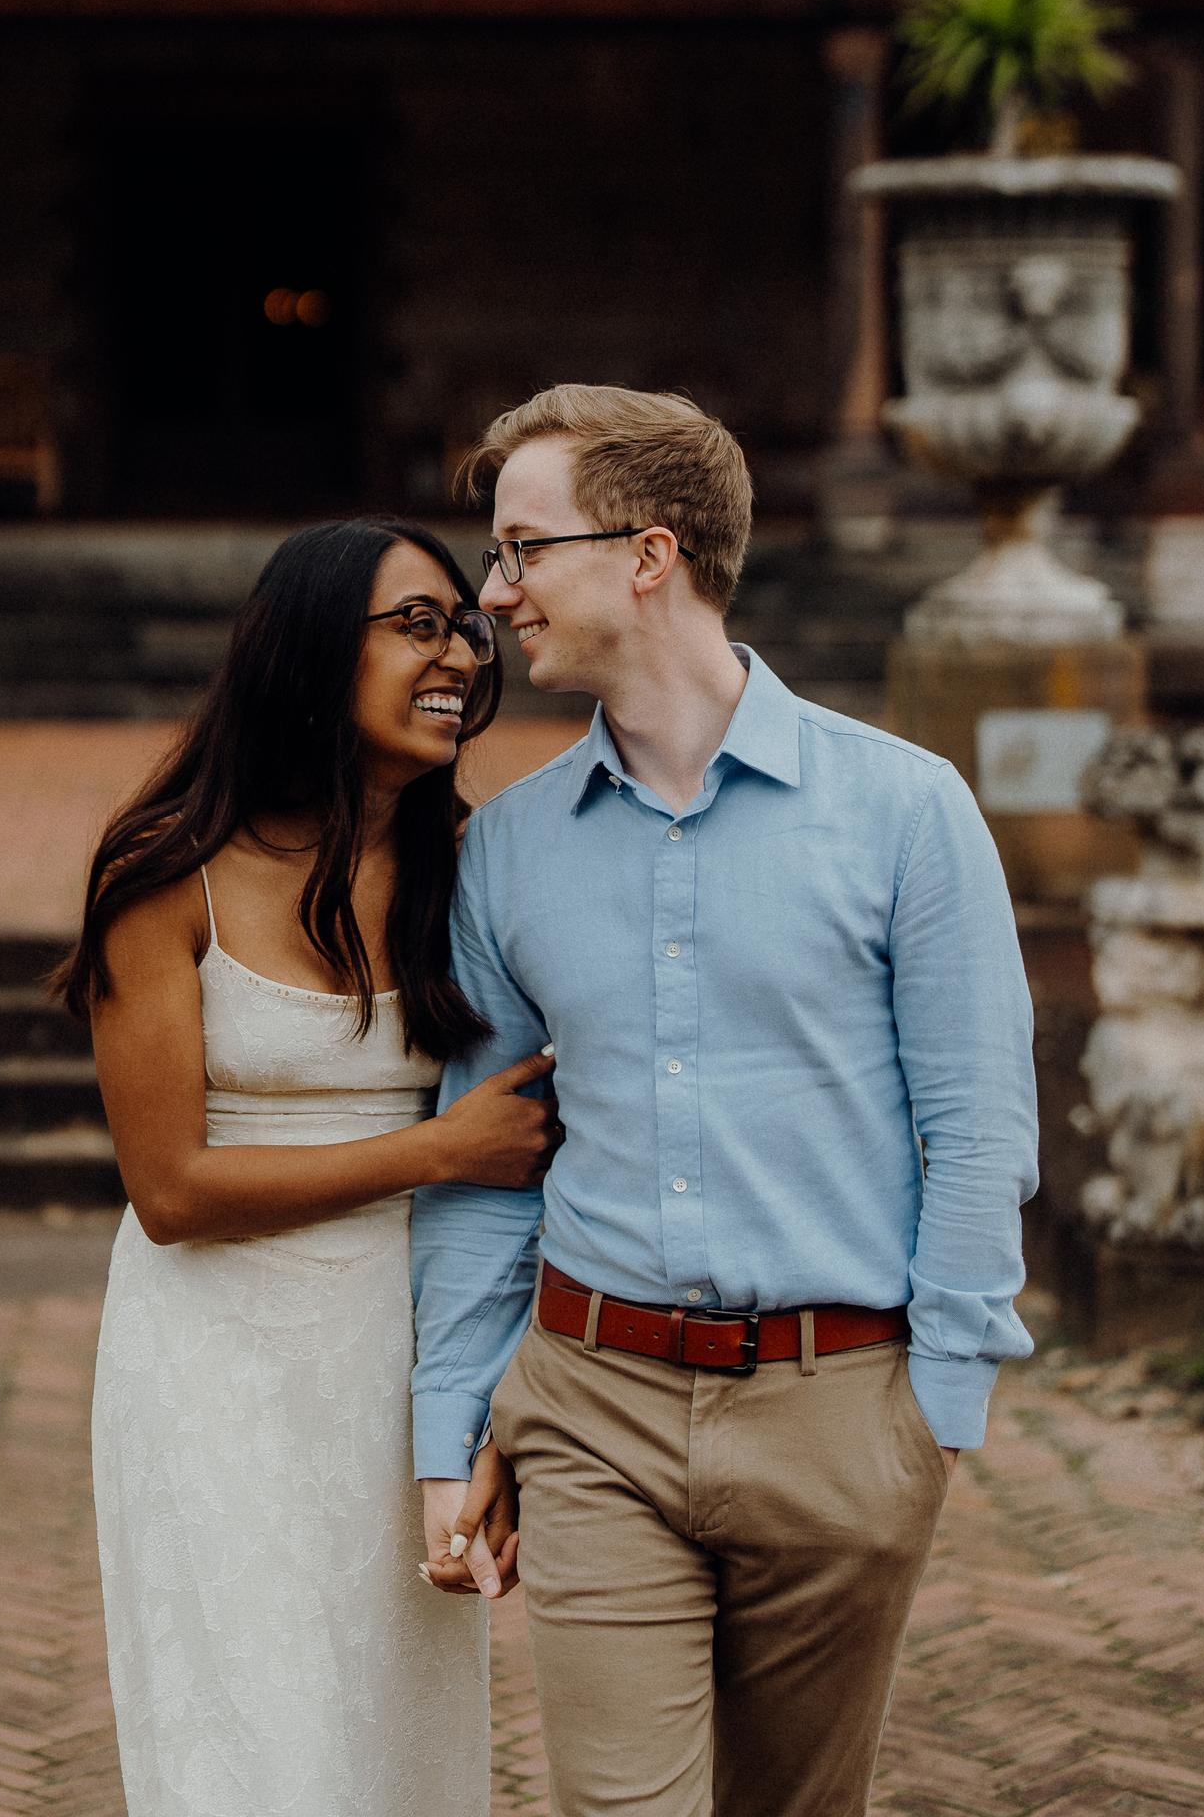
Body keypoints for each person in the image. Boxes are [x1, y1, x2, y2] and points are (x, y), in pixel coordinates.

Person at [414, 386, 1039, 1817]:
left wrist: (930, 1416)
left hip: (844, 1415)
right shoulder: (505, 854)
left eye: (523, 549)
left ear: (650, 553)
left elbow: (980, 1124)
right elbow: (486, 1164)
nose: (495, 594)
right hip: (591, 1408)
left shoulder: (906, 809)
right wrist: (451, 1428)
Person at [65, 518, 560, 1817]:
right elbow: (170, 1192)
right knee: (249, 1746)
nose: (456, 651)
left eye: (466, 625)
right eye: (416, 623)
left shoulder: (476, 876)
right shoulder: (165, 876)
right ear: (303, 646)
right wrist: (440, 1149)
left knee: (402, 1747)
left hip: (405, 1364)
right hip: (214, 1369)